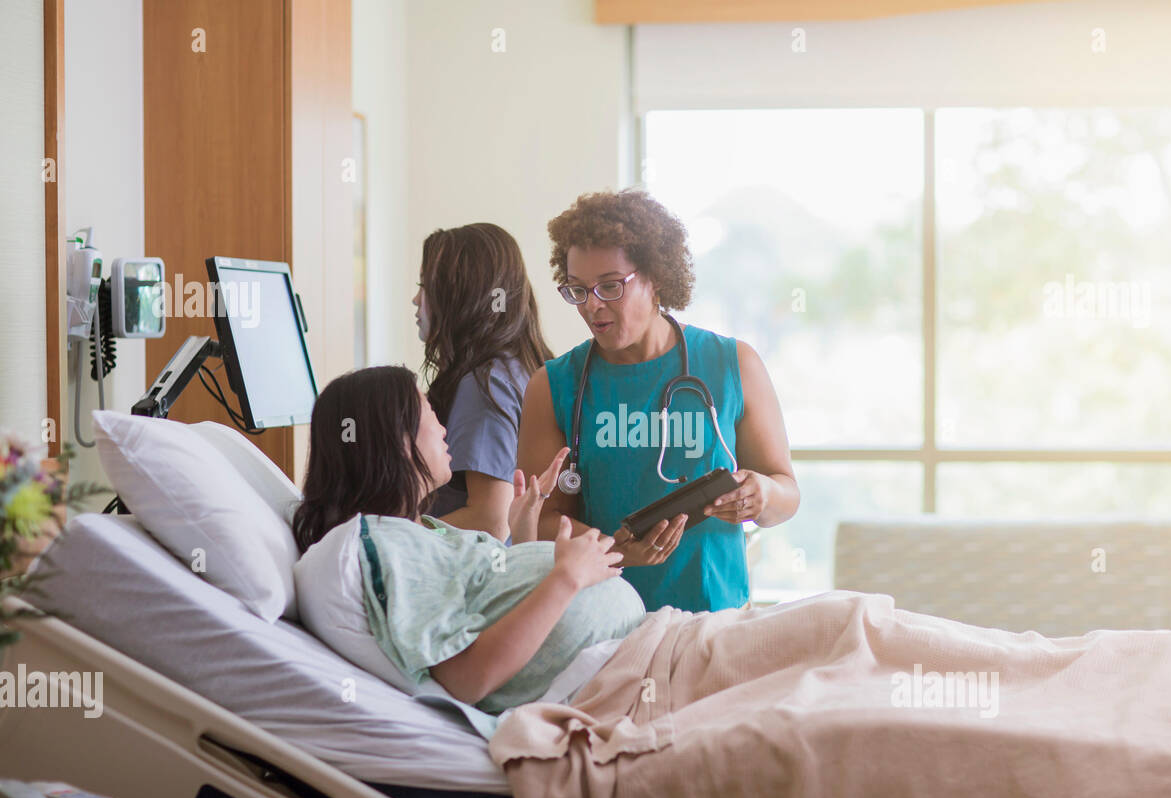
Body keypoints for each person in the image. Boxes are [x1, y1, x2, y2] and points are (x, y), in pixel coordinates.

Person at [292, 366, 641, 715]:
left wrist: (523, 532)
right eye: (429, 412)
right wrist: (568, 577)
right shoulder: (389, 545)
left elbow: (492, 600)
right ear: (395, 437)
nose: (444, 428)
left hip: (631, 657)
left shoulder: (425, 531)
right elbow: (466, 678)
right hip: (622, 676)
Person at [516, 189, 799, 613]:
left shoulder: (732, 364)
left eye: (610, 286)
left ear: (657, 277)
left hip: (715, 622)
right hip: (603, 627)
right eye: (578, 290)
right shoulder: (553, 386)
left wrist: (761, 495)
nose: (592, 305)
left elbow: (786, 494)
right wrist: (615, 550)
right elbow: (537, 520)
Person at [413, 223, 553, 543]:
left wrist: (396, 535)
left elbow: (490, 521)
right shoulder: (522, 366)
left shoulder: (485, 384)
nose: (415, 299)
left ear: (461, 295)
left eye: (426, 287)